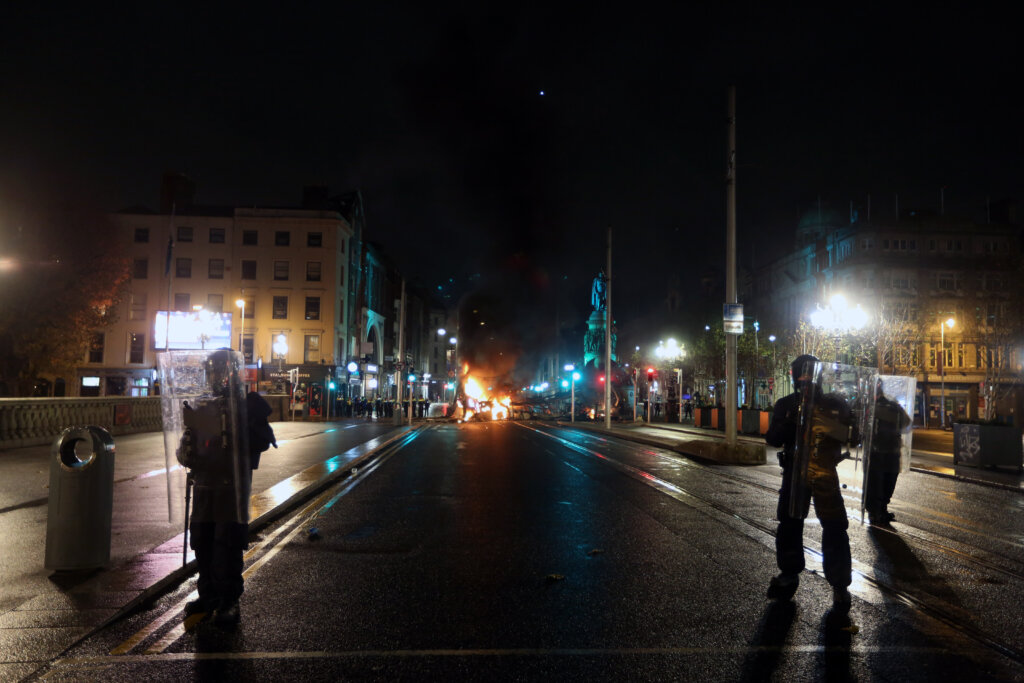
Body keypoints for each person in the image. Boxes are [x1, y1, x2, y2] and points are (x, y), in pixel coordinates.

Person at [179, 349, 276, 627]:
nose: (215, 377)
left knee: (227, 542)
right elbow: (187, 445)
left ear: (232, 373)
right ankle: (207, 594)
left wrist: (240, 431)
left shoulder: (248, 405)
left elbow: (260, 443)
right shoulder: (202, 405)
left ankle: (229, 599)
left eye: (219, 371)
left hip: (231, 486)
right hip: (204, 484)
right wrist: (186, 451)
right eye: (211, 371)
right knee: (203, 541)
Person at [765, 354, 858, 611]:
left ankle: (839, 584)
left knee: (834, 526)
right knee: (790, 523)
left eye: (807, 374)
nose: (803, 380)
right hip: (796, 473)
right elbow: (772, 438)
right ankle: (790, 573)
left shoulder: (833, 404)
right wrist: (789, 421)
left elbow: (854, 435)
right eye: (800, 374)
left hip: (824, 472)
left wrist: (830, 424)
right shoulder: (787, 404)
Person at [865, 381, 912, 526]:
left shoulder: (872, 407)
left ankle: (876, 512)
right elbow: (906, 422)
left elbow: (861, 426)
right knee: (887, 482)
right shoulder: (893, 405)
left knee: (877, 483)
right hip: (891, 450)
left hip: (878, 451)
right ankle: (880, 510)